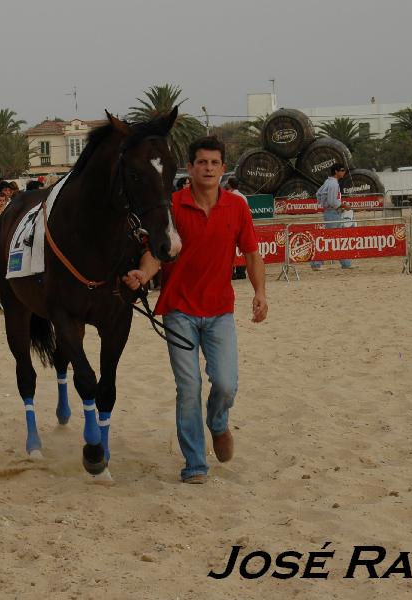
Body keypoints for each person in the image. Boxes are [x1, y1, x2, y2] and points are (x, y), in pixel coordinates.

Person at [123, 136, 268, 484]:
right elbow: (157, 252)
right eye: (201, 162)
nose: (208, 168)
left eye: (214, 163)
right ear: (190, 167)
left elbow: (251, 254)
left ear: (222, 168)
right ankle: (194, 463)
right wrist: (143, 274)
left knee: (225, 384)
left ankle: (218, 423)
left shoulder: (237, 207)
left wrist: (260, 292)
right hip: (179, 311)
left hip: (220, 312)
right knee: (188, 387)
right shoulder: (171, 206)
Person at [310, 164, 352, 270]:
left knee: (337, 238)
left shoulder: (328, 182)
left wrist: (324, 204)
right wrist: (343, 205)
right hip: (333, 213)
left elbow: (318, 193)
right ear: (336, 172)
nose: (344, 172)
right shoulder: (333, 184)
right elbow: (332, 201)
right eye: (342, 170)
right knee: (330, 239)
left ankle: (346, 263)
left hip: (331, 212)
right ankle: (316, 263)